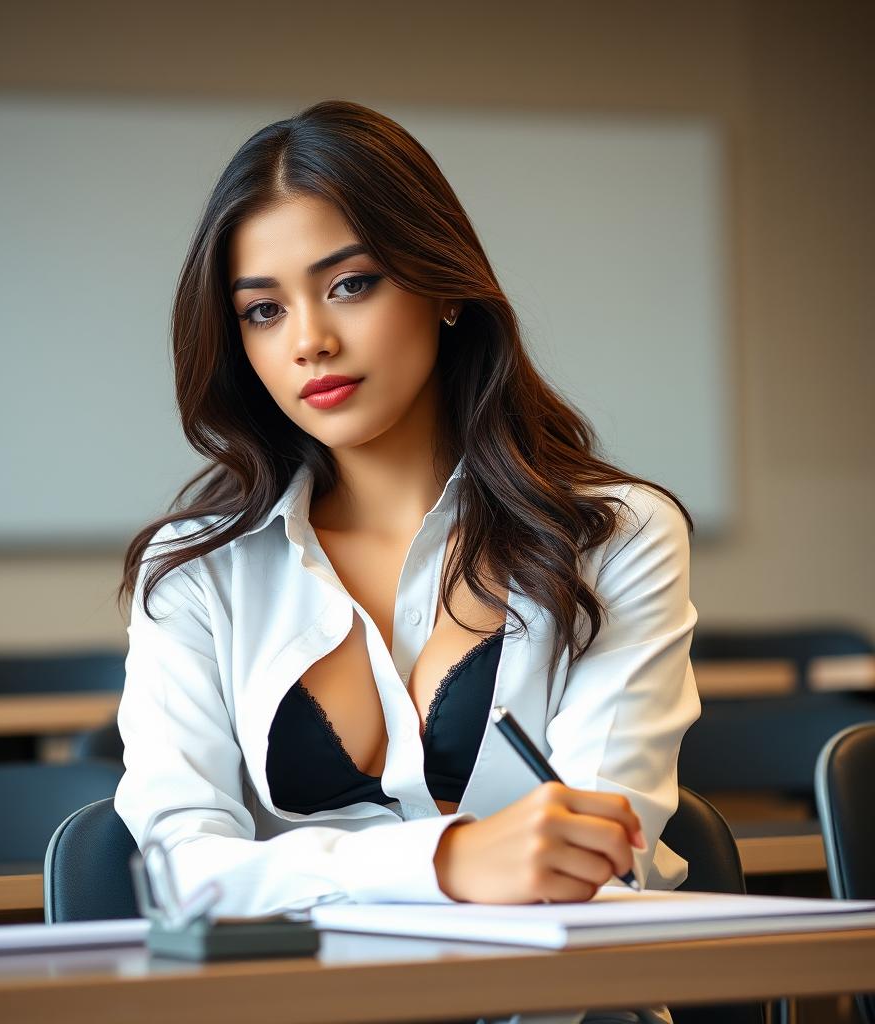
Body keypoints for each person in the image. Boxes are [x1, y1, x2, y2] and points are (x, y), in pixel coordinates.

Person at [113, 99, 700, 1024]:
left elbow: (599, 863)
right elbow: (181, 876)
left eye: (350, 284)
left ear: (445, 284)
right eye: (264, 310)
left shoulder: (615, 536)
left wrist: (300, 880)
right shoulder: (194, 574)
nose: (309, 339)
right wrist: (448, 863)